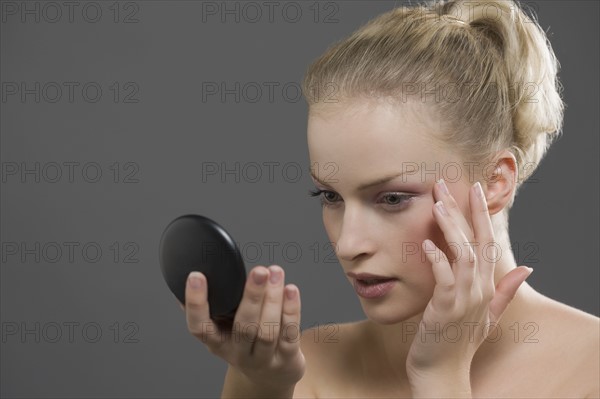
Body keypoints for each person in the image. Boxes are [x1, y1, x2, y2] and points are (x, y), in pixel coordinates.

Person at [180, 0, 599, 397]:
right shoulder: (301, 370)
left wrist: (440, 378)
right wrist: (259, 389)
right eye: (330, 196)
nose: (348, 244)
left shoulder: (589, 370)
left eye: (393, 198)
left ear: (495, 182)